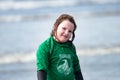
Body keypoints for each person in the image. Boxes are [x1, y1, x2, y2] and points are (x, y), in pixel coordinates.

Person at [36, 14, 84, 80]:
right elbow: (41, 70)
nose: (66, 33)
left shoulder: (71, 47)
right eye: (64, 28)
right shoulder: (45, 47)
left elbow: (77, 71)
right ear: (55, 26)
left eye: (70, 31)